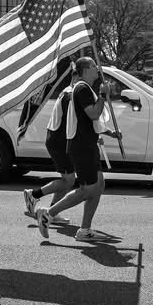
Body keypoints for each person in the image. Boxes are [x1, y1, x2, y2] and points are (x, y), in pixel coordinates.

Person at [34, 56, 113, 242]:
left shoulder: (84, 88)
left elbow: (90, 119)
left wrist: (105, 132)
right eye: (94, 65)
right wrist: (103, 95)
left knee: (98, 185)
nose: (97, 68)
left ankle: (85, 229)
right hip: (81, 146)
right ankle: (48, 213)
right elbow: (93, 113)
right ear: (85, 70)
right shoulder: (82, 88)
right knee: (87, 189)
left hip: (87, 144)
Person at [22, 70, 77, 225]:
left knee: (67, 180)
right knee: (68, 180)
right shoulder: (70, 95)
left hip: (58, 139)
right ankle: (34, 194)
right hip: (60, 141)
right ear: (75, 76)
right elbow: (72, 122)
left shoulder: (69, 92)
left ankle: (52, 212)